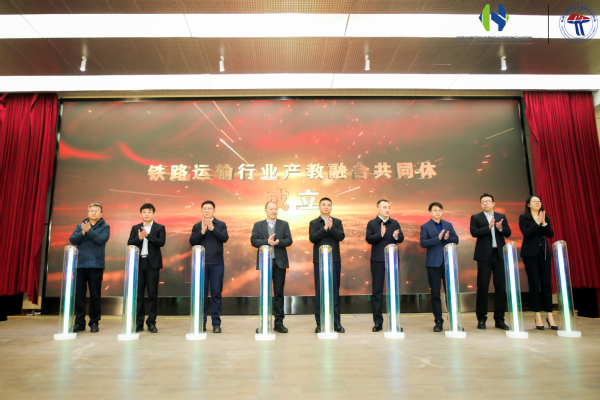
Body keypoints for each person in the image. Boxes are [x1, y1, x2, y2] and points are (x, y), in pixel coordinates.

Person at [250, 201, 293, 333]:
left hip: (279, 263)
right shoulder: (258, 225)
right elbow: (253, 241)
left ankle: (279, 323)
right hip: (265, 262)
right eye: (271, 209)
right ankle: (264, 323)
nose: (273, 211)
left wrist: (278, 242)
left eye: (275, 209)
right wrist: (266, 242)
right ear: (266, 210)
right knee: (265, 293)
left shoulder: (284, 224)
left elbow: (289, 240)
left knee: (279, 293)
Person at [470, 193, 511, 330]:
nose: (486, 203)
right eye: (483, 202)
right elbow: (474, 232)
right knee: (483, 287)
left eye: (488, 201)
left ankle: (499, 319)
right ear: (480, 204)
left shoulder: (501, 216)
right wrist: (488, 227)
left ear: (493, 203)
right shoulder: (476, 217)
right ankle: (481, 319)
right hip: (484, 256)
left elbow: (508, 233)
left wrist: (500, 228)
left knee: (500, 287)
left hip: (499, 256)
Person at [69, 203, 110, 333]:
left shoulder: (105, 227)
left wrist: (89, 231)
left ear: (101, 214)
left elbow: (101, 240)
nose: (94, 213)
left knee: (95, 295)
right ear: (87, 213)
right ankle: (79, 322)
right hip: (80, 264)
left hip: (95, 265)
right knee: (79, 295)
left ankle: (94, 322)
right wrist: (83, 232)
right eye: (91, 210)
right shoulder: (80, 226)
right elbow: (72, 239)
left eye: (97, 211)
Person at [189, 200, 229, 333]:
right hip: (201, 265)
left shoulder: (221, 224)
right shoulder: (197, 226)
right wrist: (202, 231)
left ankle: (216, 323)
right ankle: (202, 323)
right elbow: (192, 242)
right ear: (201, 210)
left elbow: (225, 238)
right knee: (202, 294)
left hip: (217, 264)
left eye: (209, 208)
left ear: (214, 210)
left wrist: (212, 229)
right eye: (204, 208)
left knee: (216, 293)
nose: (207, 211)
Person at [419, 202, 459, 332]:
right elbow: (423, 243)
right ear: (430, 212)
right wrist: (438, 238)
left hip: (448, 263)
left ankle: (453, 321)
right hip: (433, 264)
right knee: (435, 294)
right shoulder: (425, 226)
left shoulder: (448, 225)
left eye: (440, 210)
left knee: (450, 293)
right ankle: (438, 321)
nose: (438, 212)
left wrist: (448, 238)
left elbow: (456, 240)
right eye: (435, 210)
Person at [365, 199, 404, 332]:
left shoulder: (395, 223)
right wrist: (381, 234)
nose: (387, 209)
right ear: (378, 209)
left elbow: (401, 238)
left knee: (393, 291)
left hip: (392, 260)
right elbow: (369, 239)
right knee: (377, 291)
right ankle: (378, 322)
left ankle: (394, 322)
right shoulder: (372, 223)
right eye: (384, 207)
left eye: (389, 207)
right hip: (377, 261)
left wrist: (396, 237)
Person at [519, 195, 557, 330]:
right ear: (528, 204)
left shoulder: (545, 216)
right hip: (529, 254)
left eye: (539, 201)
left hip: (544, 253)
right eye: (534, 201)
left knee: (546, 284)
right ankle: (537, 315)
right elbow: (526, 233)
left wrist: (544, 223)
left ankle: (550, 315)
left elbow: (550, 234)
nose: (537, 203)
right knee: (534, 283)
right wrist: (537, 223)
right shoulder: (523, 218)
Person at [127, 203, 166, 333]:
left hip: (152, 264)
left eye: (149, 212)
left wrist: (148, 236)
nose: (147, 214)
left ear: (153, 214)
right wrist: (138, 238)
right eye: (144, 212)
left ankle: (151, 323)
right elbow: (129, 243)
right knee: (138, 294)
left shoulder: (160, 227)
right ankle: (138, 323)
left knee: (152, 294)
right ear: (141, 214)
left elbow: (161, 242)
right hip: (139, 263)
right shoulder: (135, 228)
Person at [309, 197, 345, 334]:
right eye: (323, 205)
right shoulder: (314, 222)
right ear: (319, 207)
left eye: (328, 205)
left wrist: (332, 228)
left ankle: (336, 323)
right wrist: (324, 229)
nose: (326, 207)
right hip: (319, 261)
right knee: (320, 292)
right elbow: (313, 238)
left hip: (334, 261)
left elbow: (341, 237)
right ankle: (320, 324)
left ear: (331, 207)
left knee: (334, 292)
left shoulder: (337, 222)